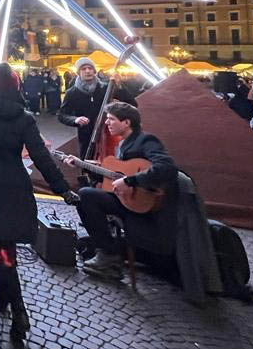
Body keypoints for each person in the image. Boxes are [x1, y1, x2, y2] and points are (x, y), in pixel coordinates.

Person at [0, 63, 79, 347]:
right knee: (6, 244)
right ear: (15, 86)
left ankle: (18, 307)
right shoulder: (24, 118)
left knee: (3, 246)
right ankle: (4, 292)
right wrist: (63, 190)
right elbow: (41, 157)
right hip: (15, 183)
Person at [65, 101, 179, 281]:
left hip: (141, 202)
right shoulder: (123, 144)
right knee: (82, 196)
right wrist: (82, 164)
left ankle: (109, 255)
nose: (107, 123)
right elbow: (112, 172)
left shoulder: (146, 140)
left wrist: (130, 180)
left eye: (111, 119)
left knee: (87, 195)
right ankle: (104, 248)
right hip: (125, 198)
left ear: (126, 122)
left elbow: (167, 167)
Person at [57, 57, 108, 159]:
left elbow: (130, 101)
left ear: (94, 71)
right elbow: (62, 115)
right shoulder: (72, 92)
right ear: (78, 73)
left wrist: (119, 85)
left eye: (90, 68)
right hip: (86, 137)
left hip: (107, 133)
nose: (87, 71)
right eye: (83, 69)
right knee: (87, 164)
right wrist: (75, 119)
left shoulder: (105, 87)